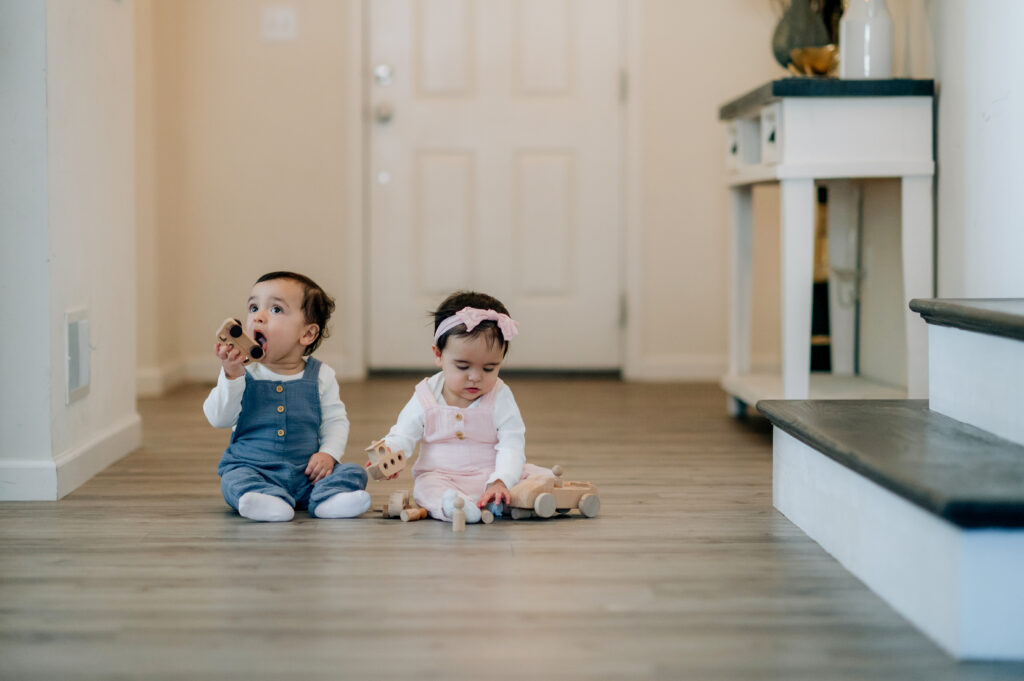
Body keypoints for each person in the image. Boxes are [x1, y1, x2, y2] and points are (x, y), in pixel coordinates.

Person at [203, 271, 370, 522]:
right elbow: (218, 418)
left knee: (354, 472)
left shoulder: (322, 375)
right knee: (233, 479)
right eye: (253, 307)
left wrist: (328, 454)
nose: (258, 316)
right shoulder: (241, 372)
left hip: (307, 475)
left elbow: (336, 421)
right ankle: (263, 499)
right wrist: (231, 376)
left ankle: (327, 499)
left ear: (307, 334)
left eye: (276, 310)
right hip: (253, 469)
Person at [382, 291, 551, 523]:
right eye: (463, 366)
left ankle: (495, 497)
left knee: (536, 475)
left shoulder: (499, 395)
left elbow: (512, 443)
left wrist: (500, 479)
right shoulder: (426, 395)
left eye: (489, 368)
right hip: (440, 475)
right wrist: (390, 452)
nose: (475, 377)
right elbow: (403, 433)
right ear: (438, 355)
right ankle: (455, 505)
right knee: (427, 489)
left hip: (489, 475)